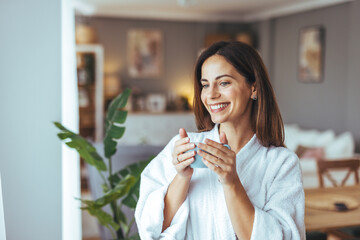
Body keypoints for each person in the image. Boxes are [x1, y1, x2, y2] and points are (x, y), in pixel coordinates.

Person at [135, 41, 305, 240]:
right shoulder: (182, 149)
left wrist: (231, 182)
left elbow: (284, 237)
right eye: (205, 85)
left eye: (224, 83)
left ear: (254, 88)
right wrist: (181, 177)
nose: (211, 94)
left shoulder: (281, 163)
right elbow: (149, 228)